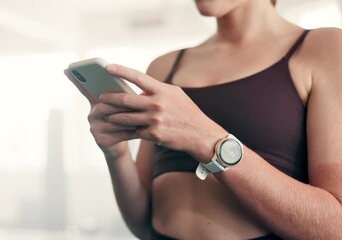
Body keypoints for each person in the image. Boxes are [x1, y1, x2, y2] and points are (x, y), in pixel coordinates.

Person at [65, 0, 342, 239]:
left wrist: (206, 139)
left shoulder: (324, 49)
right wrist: (116, 153)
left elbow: (335, 227)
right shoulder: (165, 67)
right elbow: (143, 222)